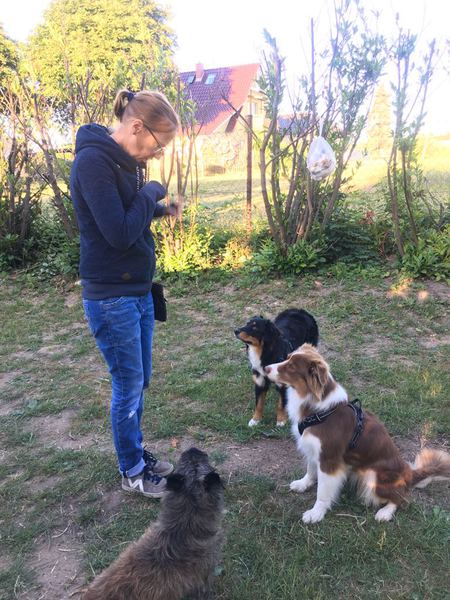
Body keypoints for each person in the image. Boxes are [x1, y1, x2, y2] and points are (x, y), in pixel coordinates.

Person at [70, 89, 181, 498]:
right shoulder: (93, 162)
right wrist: (152, 192)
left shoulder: (126, 162)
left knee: (139, 380)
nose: (157, 153)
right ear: (137, 127)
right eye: (158, 144)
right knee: (128, 383)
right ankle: (132, 471)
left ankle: (135, 453)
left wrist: (159, 209)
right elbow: (118, 233)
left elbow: (126, 212)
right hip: (111, 296)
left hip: (137, 289)